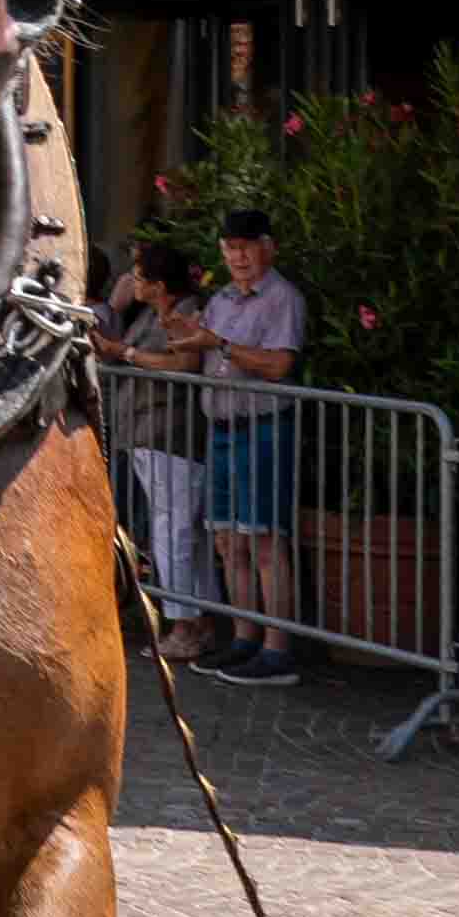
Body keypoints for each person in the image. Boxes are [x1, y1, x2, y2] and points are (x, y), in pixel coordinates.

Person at [197, 204, 305, 682]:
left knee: (264, 538)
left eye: (245, 247)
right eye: (230, 248)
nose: (237, 256)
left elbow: (280, 364)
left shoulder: (283, 298)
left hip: (262, 426)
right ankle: (244, 638)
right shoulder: (219, 298)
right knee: (227, 539)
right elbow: (204, 349)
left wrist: (219, 345)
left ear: (267, 247)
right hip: (219, 426)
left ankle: (276, 648)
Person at [94, 236, 214, 654]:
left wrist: (125, 354)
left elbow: (184, 363)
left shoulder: (185, 314)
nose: (132, 280)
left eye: (140, 276)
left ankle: (184, 623)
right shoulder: (148, 313)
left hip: (171, 434)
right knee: (177, 529)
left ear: (161, 285)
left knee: (174, 530)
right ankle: (193, 619)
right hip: (147, 432)